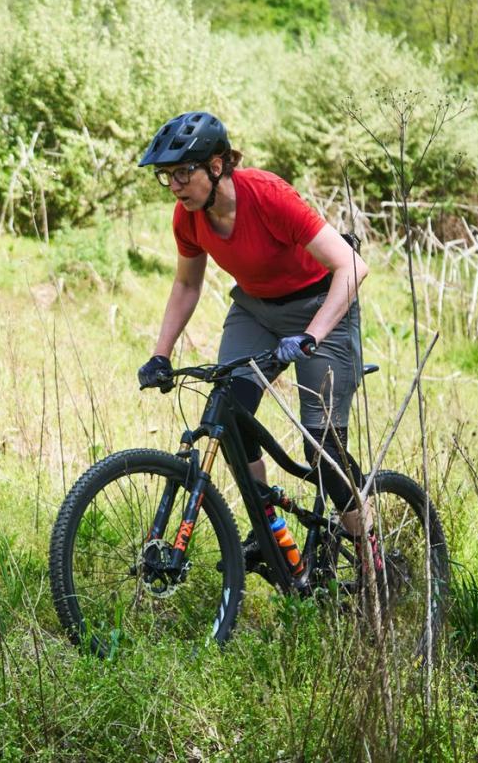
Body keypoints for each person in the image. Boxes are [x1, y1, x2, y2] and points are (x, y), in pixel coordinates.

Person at [135, 111, 372, 546]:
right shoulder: (187, 217)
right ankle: (271, 534)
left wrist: (312, 335)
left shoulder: (267, 196)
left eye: (183, 172)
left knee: (322, 452)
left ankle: (373, 558)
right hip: (256, 310)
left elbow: (352, 267)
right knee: (231, 415)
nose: (174, 185)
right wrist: (160, 353)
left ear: (218, 165)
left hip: (322, 308)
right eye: (167, 176)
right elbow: (187, 284)